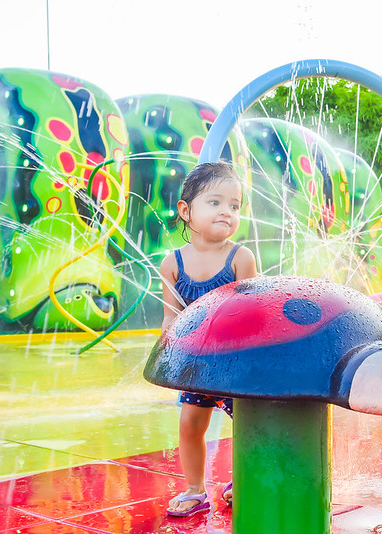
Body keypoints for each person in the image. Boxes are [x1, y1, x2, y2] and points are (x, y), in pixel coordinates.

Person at [160, 162, 257, 517]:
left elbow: (252, 315)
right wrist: (167, 354)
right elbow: (171, 316)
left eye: (234, 206)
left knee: (246, 423)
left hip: (232, 364)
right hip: (197, 365)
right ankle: (194, 489)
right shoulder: (172, 264)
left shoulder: (240, 258)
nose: (226, 212)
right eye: (215, 203)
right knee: (190, 424)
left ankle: (243, 478)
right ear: (186, 211)